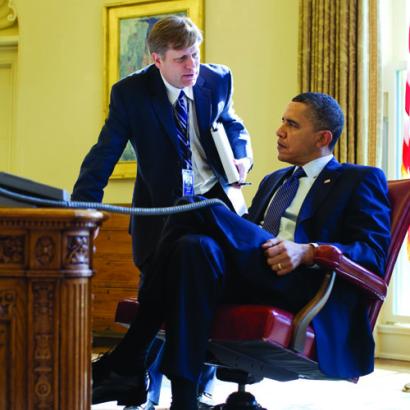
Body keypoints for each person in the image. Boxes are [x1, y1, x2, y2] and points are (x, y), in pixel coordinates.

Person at [90, 92, 391, 409]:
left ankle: (131, 358)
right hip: (252, 274)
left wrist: (308, 252)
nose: (279, 131)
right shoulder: (274, 180)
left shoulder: (359, 179)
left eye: (292, 124)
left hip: (300, 282)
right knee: (194, 249)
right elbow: (245, 232)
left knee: (194, 206)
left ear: (322, 138)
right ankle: (183, 400)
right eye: (281, 121)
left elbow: (372, 253)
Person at [71, 15, 252, 408]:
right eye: (181, 59)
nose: (192, 66)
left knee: (199, 287)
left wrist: (241, 156)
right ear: (157, 59)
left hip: (215, 207)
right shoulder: (131, 94)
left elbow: (234, 125)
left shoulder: (216, 80)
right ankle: (149, 385)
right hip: (161, 216)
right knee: (178, 278)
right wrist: (81, 213)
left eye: (195, 55)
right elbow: (104, 155)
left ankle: (138, 369)